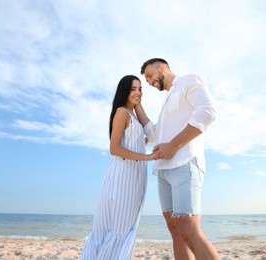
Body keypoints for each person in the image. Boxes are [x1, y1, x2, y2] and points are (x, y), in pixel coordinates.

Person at [135, 58, 220, 259]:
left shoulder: (188, 81)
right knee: (176, 231)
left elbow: (208, 112)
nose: (148, 82)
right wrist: (137, 105)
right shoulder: (166, 103)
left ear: (162, 68)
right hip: (163, 171)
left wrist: (172, 146)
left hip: (185, 164)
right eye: (146, 79)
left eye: (149, 75)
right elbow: (155, 133)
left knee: (188, 229)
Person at [80, 75, 156, 260]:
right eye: (133, 89)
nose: (138, 92)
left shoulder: (134, 116)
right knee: (119, 228)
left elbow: (152, 137)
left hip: (135, 176)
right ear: (124, 91)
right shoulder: (122, 112)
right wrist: (147, 157)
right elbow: (114, 148)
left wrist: (138, 105)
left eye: (140, 89)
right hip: (123, 175)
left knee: (124, 227)